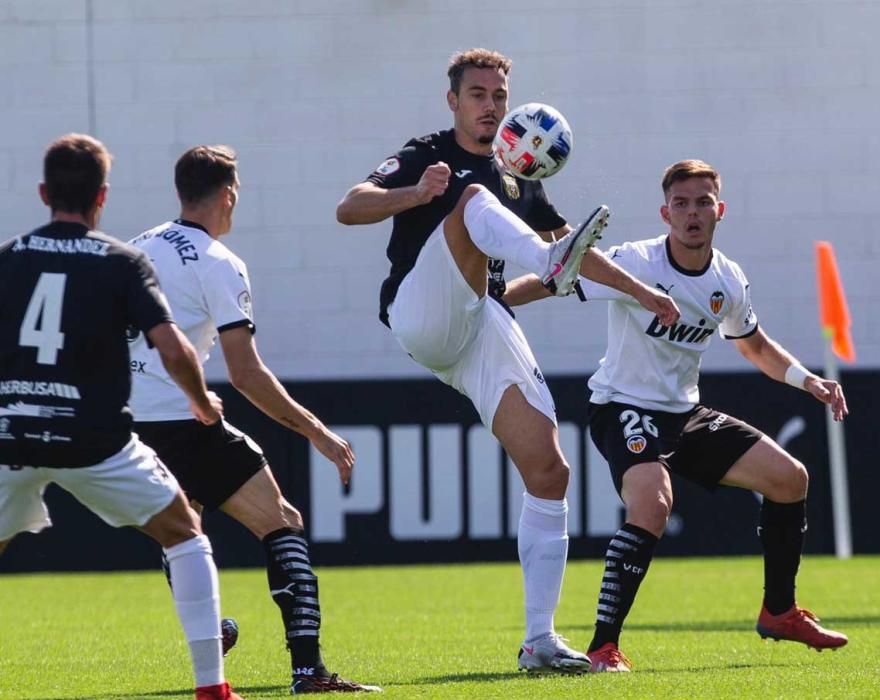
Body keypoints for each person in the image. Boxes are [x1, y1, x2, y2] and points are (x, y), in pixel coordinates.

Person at [336, 48, 678, 673]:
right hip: (421, 310)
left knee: (550, 470)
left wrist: (643, 291)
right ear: (453, 102)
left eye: (498, 95)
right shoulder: (428, 153)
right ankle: (544, 265)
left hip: (481, 321)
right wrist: (415, 193)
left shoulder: (521, 176)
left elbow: (574, 246)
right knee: (470, 203)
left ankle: (538, 642)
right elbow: (349, 205)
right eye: (477, 95)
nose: (490, 105)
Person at [504, 159, 850, 673]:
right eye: (682, 204)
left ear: (720, 210)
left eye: (703, 202)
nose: (692, 213)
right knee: (653, 503)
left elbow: (753, 345)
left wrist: (808, 379)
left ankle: (778, 611)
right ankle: (603, 646)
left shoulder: (728, 279)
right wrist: (496, 303)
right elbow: (560, 275)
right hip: (622, 405)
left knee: (789, 478)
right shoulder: (636, 263)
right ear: (665, 212)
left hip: (684, 414)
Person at [128, 145, 380, 694]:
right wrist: (317, 431)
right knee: (282, 522)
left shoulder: (136, 248)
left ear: (180, 192)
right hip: (183, 421)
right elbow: (245, 374)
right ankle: (308, 670)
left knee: (183, 535)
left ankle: (211, 631)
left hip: (130, 429)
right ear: (228, 195)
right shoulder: (218, 262)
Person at [0, 134, 242, 700]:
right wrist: (203, 402)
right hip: (94, 437)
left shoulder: (8, 258)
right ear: (102, 196)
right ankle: (213, 689)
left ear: (42, 192)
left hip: (13, 431)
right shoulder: (120, 261)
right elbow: (175, 348)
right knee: (184, 533)